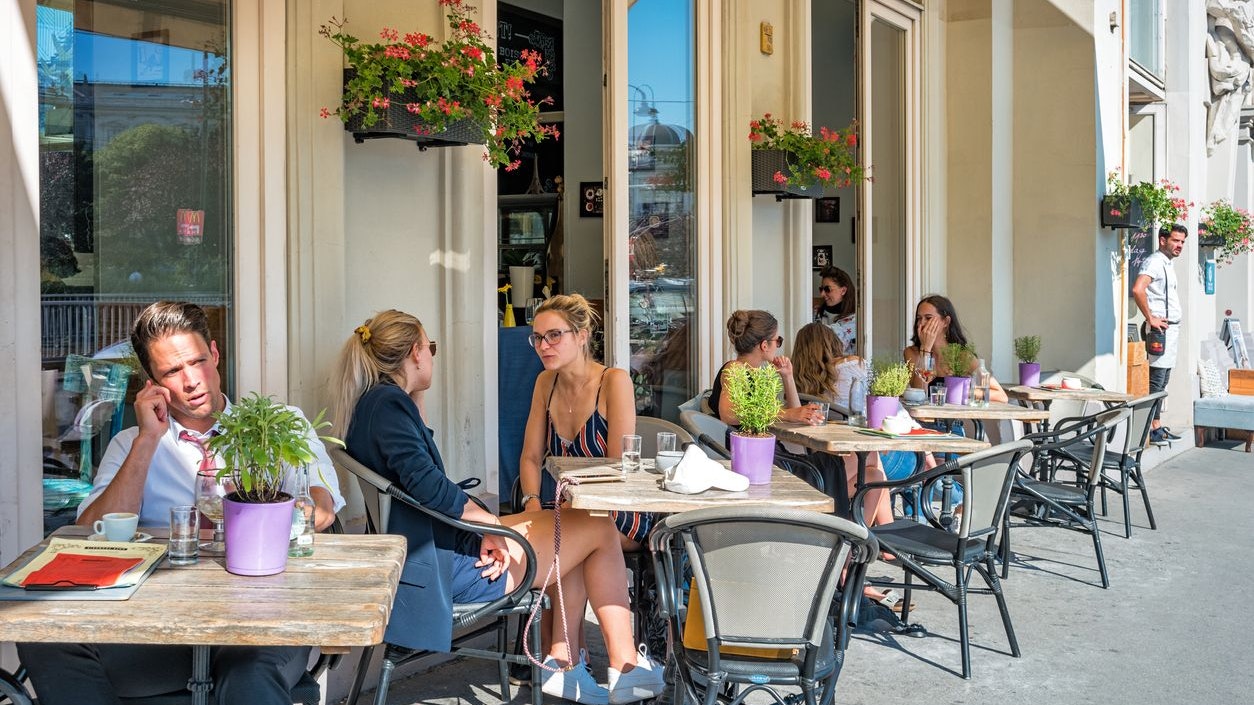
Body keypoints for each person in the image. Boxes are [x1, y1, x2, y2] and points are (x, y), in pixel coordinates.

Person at [17, 301, 346, 705]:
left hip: (262, 623)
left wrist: (263, 516)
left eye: (198, 361)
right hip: (162, 631)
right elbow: (88, 532)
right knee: (43, 640)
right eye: (173, 371)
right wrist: (147, 440)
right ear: (152, 383)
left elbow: (322, 508)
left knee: (248, 674)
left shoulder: (276, 425)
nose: (191, 380)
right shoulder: (131, 444)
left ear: (215, 353)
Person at [334, 309, 664, 705]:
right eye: (430, 348)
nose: (433, 357)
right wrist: (487, 523)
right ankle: (622, 666)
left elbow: (419, 474)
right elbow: (425, 482)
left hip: (435, 550)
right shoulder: (389, 406)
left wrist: (416, 393)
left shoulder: (376, 403)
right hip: (449, 565)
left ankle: (565, 662)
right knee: (596, 529)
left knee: (574, 528)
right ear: (417, 353)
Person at [517, 294, 646, 693]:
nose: (543, 346)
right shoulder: (546, 383)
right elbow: (530, 457)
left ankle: (565, 657)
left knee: (578, 535)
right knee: (570, 533)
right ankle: (606, 666)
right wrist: (532, 503)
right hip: (563, 508)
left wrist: (565, 509)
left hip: (618, 510)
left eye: (554, 335)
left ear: (583, 335)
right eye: (537, 338)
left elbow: (618, 468)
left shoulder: (613, 381)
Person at [711, 310, 824, 427]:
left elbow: (798, 417)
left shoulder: (760, 373)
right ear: (764, 345)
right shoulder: (735, 369)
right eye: (778, 341)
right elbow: (729, 415)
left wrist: (788, 377)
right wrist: (786, 414)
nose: (778, 346)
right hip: (735, 439)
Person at [1132, 224, 1187, 445]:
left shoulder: (1167, 263)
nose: (1179, 245)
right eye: (1175, 240)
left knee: (1162, 380)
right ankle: (1151, 429)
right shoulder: (1154, 261)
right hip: (1159, 330)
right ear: (1162, 240)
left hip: (1170, 329)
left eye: (1182, 242)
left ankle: (1156, 425)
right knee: (1156, 380)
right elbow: (1138, 289)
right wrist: (1151, 318)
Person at [903, 294, 1008, 404]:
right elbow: (919, 393)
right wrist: (925, 349)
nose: (922, 323)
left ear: (946, 322)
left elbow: (1001, 395)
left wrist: (962, 390)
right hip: (923, 414)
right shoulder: (912, 353)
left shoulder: (961, 356)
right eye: (919, 318)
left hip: (953, 414)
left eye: (928, 318)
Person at [813, 266, 858, 353]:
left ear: (843, 290)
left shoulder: (855, 319)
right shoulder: (816, 314)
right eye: (821, 289)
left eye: (827, 289)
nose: (822, 294)